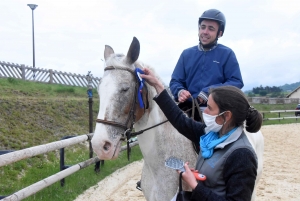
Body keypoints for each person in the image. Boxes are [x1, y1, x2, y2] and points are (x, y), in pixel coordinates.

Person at [140, 67, 262, 200]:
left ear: (226, 116)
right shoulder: (213, 135)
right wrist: (157, 85)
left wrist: (194, 185)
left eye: (210, 108)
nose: (205, 113)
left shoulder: (242, 155)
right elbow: (180, 121)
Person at [169, 9, 244, 114]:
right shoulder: (186, 54)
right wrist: (180, 91)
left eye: (211, 29)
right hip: (187, 110)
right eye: (202, 27)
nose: (205, 32)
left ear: (220, 33)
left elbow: (236, 82)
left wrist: (210, 91)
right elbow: (175, 81)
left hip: (216, 112)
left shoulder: (227, 54)